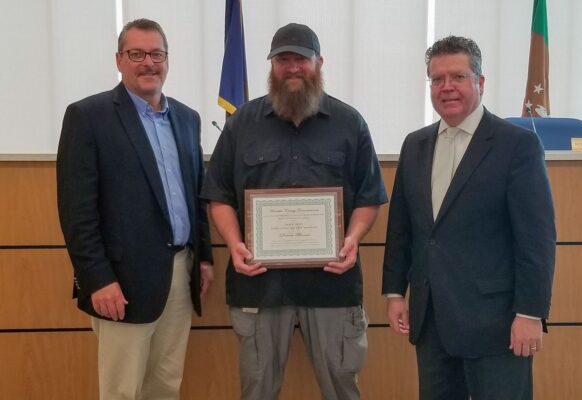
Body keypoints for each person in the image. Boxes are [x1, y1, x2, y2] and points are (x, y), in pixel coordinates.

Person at [201, 23, 388, 400]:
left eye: (300, 59)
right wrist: (234, 243)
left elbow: (369, 197)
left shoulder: (350, 123)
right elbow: (219, 195)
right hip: (259, 282)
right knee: (257, 388)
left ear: (319, 63)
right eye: (283, 60)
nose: (292, 68)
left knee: (341, 386)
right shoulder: (241, 124)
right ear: (271, 67)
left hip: (332, 283)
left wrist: (351, 240)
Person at [382, 35, 556, 400]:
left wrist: (530, 313)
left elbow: (536, 240)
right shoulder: (415, 144)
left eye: (458, 77)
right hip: (431, 322)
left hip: (497, 324)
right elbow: (402, 228)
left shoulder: (517, 146)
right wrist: (395, 291)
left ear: (480, 82)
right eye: (437, 79)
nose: (447, 87)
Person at [56, 18, 213, 400]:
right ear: (119, 60)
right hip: (120, 283)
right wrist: (98, 279)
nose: (148, 63)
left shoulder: (187, 118)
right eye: (137, 54)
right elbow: (77, 211)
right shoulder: (88, 117)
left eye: (156, 54)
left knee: (165, 385)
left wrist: (204, 259)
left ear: (167, 60)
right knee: (121, 391)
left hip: (180, 273)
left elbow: (196, 197)